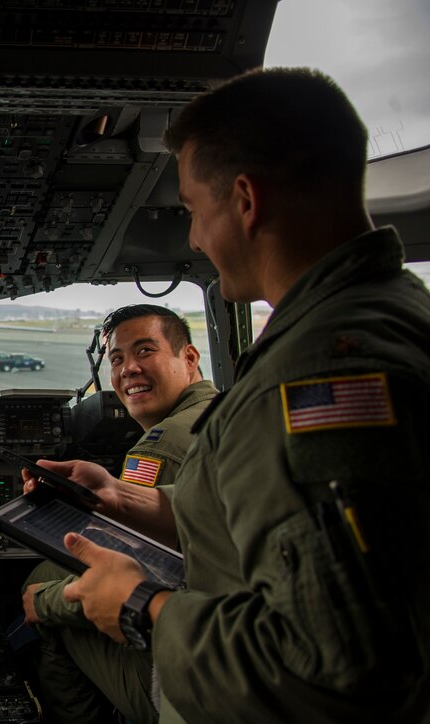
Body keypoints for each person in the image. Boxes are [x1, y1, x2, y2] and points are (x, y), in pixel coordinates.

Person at [26, 67, 430, 722]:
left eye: (192, 210)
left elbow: (338, 672)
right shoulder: (392, 315)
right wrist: (125, 496)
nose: (191, 238)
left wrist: (141, 605)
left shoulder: (317, 379)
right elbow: (255, 522)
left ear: (244, 200)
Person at [21, 305, 218, 723]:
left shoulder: (161, 446)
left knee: (41, 588)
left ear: (189, 358)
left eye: (145, 351)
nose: (129, 369)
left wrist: (45, 604)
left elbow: (140, 570)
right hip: (215, 631)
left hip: (192, 675)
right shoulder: (220, 413)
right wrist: (107, 493)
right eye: (117, 359)